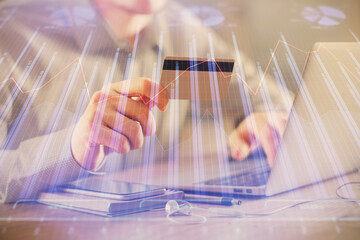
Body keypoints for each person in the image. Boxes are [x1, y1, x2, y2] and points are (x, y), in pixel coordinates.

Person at [0, 0, 292, 203]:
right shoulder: (11, 35)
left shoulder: (180, 32)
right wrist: (72, 149)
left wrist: (258, 117)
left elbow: (275, 102)